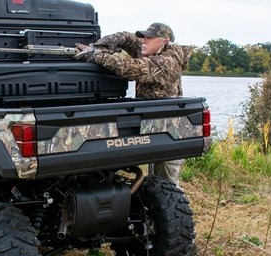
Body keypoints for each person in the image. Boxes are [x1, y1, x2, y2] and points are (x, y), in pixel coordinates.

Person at [76, 22, 191, 186]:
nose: (143, 41)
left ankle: (174, 209)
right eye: (144, 37)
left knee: (167, 180)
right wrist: (107, 42)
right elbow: (129, 38)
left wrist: (94, 55)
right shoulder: (151, 49)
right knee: (154, 179)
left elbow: (130, 68)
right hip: (155, 127)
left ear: (164, 41)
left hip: (170, 131)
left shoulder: (167, 62)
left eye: (149, 38)